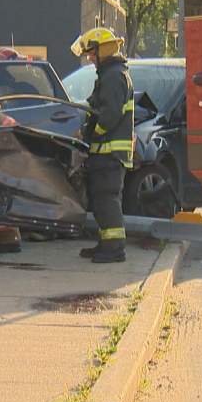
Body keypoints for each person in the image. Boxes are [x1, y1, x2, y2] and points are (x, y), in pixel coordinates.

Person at [71, 27, 134, 264]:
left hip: (110, 153)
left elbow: (108, 115)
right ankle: (106, 243)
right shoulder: (109, 75)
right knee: (100, 200)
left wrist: (92, 134)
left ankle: (115, 248)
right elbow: (95, 107)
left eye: (92, 53)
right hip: (105, 153)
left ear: (103, 50)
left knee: (107, 199)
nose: (90, 58)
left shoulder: (114, 76)